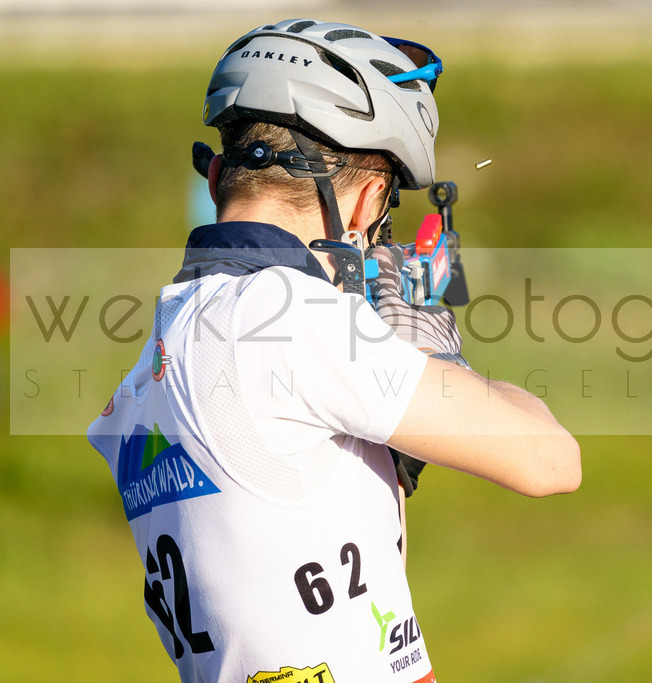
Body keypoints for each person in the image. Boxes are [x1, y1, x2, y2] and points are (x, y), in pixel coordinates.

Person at [87, 18, 580, 683]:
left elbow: (364, 585)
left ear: (217, 181)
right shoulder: (286, 317)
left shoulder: (148, 369)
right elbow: (551, 458)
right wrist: (430, 346)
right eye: (386, 210)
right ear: (370, 198)